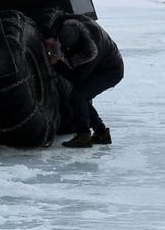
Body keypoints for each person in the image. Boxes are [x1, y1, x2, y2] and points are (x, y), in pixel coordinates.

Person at [44, 13, 123, 148]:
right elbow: (60, 18)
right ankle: (101, 133)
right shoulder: (76, 22)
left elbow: (77, 78)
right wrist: (52, 36)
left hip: (110, 71)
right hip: (104, 61)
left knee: (78, 95)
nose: (66, 49)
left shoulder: (90, 52)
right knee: (81, 96)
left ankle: (83, 135)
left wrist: (57, 64)